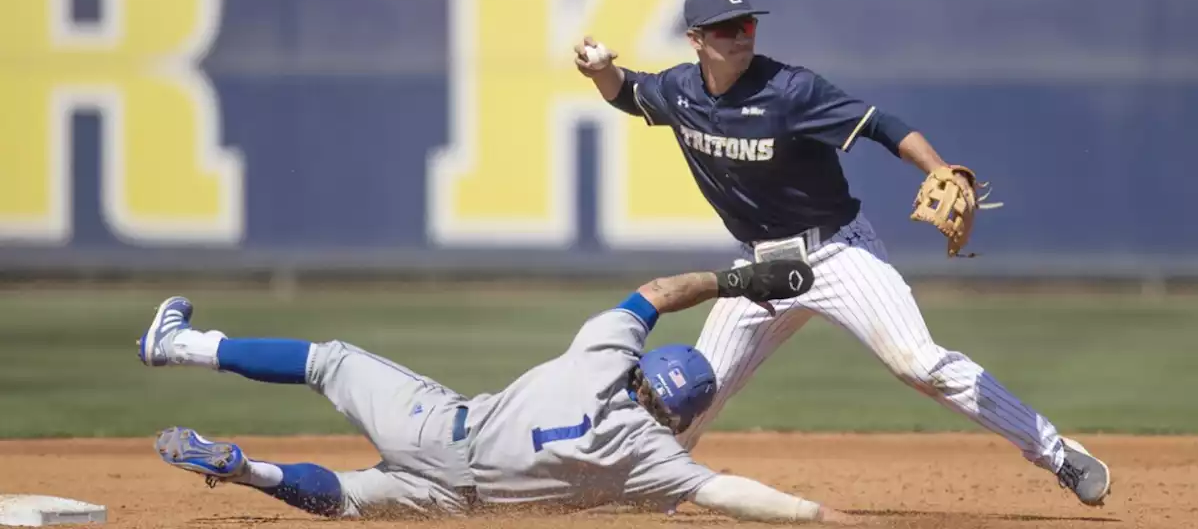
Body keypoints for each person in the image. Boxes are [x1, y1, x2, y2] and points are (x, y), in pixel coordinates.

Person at [573, 0, 1111, 506]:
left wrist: (940, 168)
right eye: (724, 28)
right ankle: (633, 487)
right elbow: (629, 91)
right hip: (758, 269)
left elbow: (880, 124)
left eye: (746, 23)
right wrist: (602, 71)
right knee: (694, 390)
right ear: (696, 39)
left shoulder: (791, 90)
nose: (741, 34)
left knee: (917, 363)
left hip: (836, 253)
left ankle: (1057, 452)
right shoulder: (680, 91)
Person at [137, 259, 860, 523]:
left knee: (328, 361)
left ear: (646, 371)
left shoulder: (604, 357)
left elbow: (658, 291)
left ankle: (180, 347)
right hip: (461, 502)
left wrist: (742, 282)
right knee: (353, 502)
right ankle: (248, 471)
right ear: (684, 418)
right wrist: (819, 514)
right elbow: (725, 493)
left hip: (440, 429)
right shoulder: (651, 459)